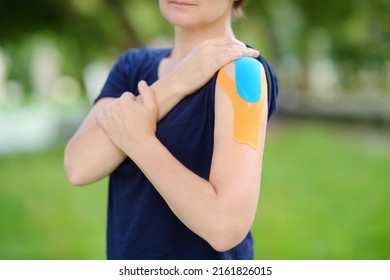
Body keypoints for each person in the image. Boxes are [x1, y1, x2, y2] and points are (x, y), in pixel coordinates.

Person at [64, 0, 278, 260]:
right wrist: (178, 81)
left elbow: (225, 227)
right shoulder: (132, 67)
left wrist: (140, 143)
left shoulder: (243, 71)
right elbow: (79, 167)